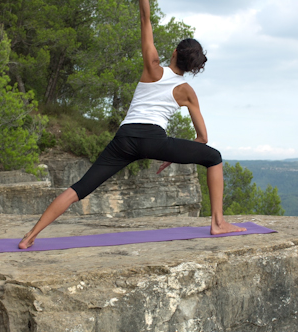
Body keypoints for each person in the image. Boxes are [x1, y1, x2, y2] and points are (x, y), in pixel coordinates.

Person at [18, 0, 246, 249]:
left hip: (124, 139)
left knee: (80, 188)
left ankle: (30, 236)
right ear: (192, 67)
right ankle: (217, 222)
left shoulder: (153, 68)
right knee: (214, 157)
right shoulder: (187, 92)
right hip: (154, 142)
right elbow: (202, 138)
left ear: (174, 53)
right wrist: (172, 154)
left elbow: (144, 19)